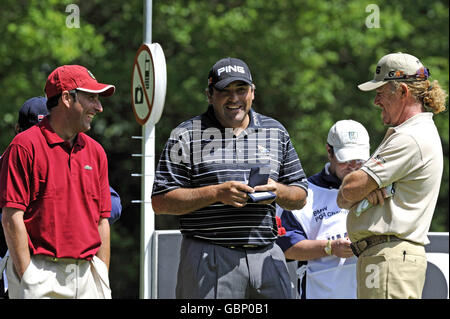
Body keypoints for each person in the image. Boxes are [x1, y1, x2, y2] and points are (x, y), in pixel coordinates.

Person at [151, 57, 308, 299]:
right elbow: (160, 201)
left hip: (268, 255)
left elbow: (300, 195)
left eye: (241, 89)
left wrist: (278, 191)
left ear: (252, 93)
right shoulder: (185, 135)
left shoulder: (275, 131)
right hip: (209, 255)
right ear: (210, 95)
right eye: (225, 91)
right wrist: (216, 193)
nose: (234, 98)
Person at [337, 52, 447, 299]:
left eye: (381, 92)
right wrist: (369, 185)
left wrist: (364, 185)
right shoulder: (412, 133)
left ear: (403, 92)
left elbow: (347, 192)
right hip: (388, 257)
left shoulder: (409, 137)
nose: (376, 101)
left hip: (390, 258)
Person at [0, 65, 115, 299]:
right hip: (39, 273)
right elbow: (11, 218)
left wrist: (101, 272)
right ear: (66, 97)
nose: (99, 107)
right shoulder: (24, 146)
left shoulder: (96, 152)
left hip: (88, 276)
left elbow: (103, 220)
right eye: (91, 97)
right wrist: (29, 277)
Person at [276, 120, 370, 299]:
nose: (353, 166)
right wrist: (330, 247)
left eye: (359, 160)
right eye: (346, 160)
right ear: (329, 152)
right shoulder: (305, 193)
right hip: (320, 292)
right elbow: (288, 247)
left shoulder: (377, 188)